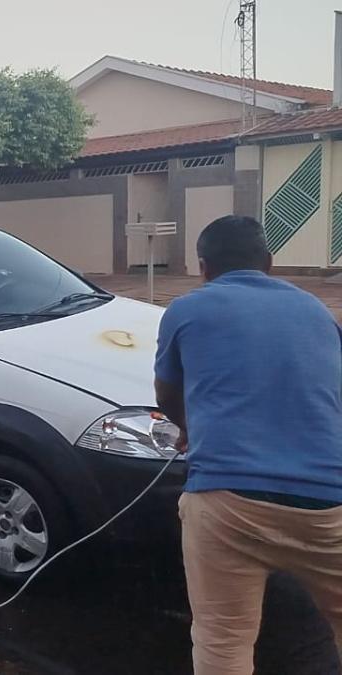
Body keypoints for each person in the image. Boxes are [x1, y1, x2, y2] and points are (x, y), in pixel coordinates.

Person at [154, 215, 342, 674]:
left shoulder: (184, 310)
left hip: (226, 502)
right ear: (269, 262)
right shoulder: (317, 310)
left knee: (223, 639)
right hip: (330, 504)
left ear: (203, 266)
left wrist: (188, 430)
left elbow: (166, 392)